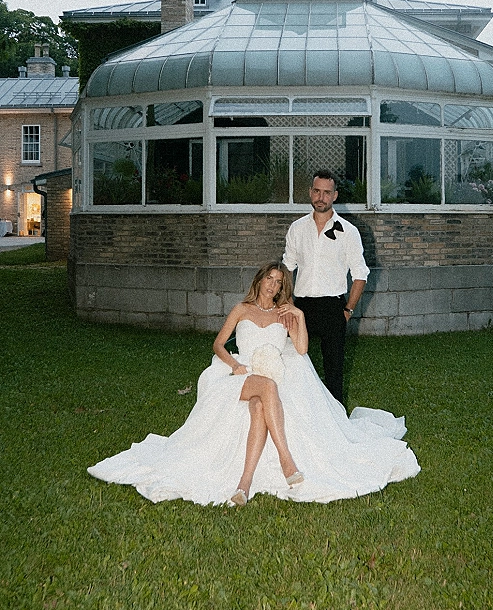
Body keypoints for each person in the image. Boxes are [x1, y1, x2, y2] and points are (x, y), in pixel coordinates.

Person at [88, 261, 420, 506]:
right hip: (240, 375)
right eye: (269, 280)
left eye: (279, 283)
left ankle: (244, 484)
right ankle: (288, 461)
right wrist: (235, 365)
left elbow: (302, 349)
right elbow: (218, 344)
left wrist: (299, 317)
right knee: (264, 388)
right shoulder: (242, 309)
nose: (273, 286)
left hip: (270, 375)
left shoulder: (284, 313)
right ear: (259, 280)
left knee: (263, 400)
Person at [283, 169, 369, 405]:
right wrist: (289, 304)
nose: (321, 197)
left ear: (335, 195)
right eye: (317, 191)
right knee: (295, 365)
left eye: (327, 193)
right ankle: (298, 415)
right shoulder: (297, 228)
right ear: (311, 192)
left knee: (334, 370)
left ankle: (336, 422)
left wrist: (348, 310)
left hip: (333, 307)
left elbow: (360, 275)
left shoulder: (349, 232)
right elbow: (287, 267)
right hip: (301, 307)